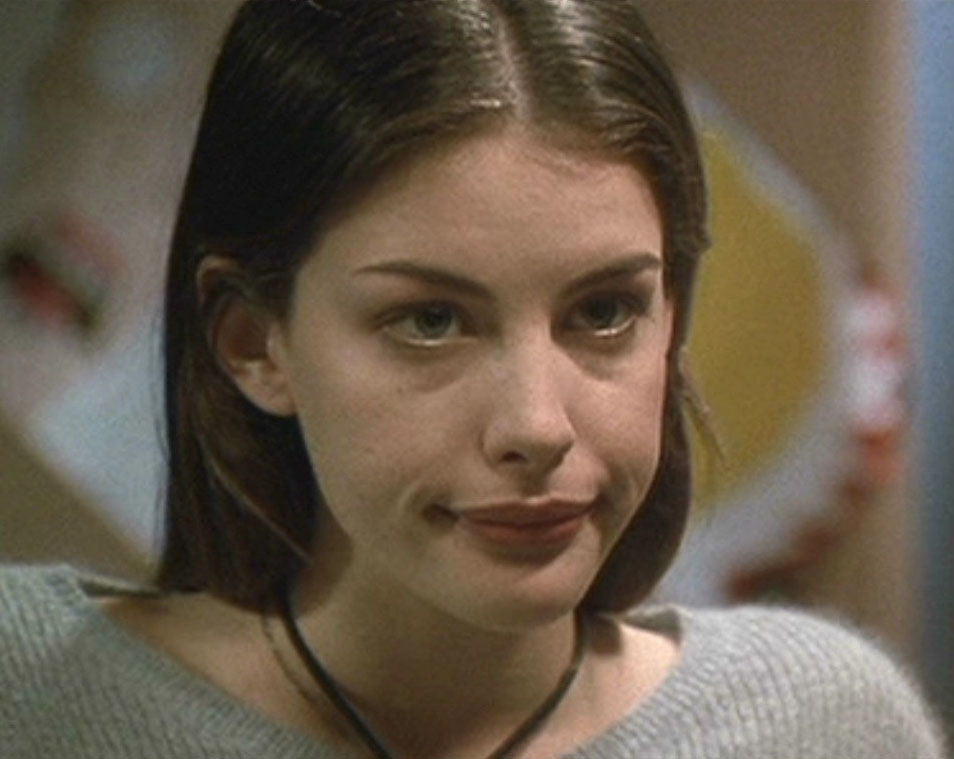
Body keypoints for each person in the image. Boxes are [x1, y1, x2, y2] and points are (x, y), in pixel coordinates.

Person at [0, 1, 947, 757]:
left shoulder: (818, 726)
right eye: (430, 321)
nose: (537, 424)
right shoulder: (35, 694)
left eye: (605, 310)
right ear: (255, 343)